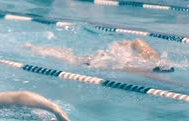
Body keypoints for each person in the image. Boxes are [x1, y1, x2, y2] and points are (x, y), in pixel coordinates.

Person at [23, 38, 175, 74]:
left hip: (105, 59)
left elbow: (136, 42)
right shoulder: (149, 61)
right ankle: (34, 47)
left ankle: (34, 47)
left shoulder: (148, 60)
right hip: (102, 61)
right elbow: (137, 42)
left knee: (71, 58)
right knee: (71, 59)